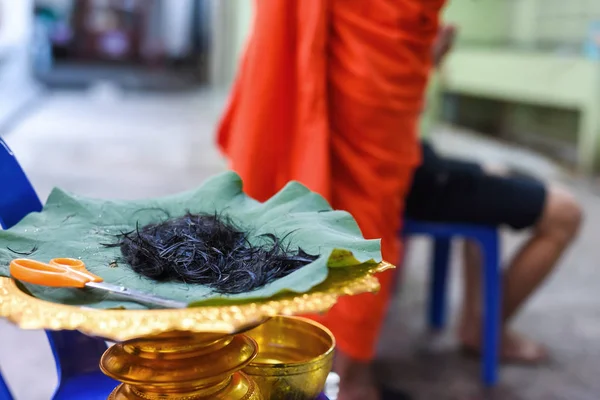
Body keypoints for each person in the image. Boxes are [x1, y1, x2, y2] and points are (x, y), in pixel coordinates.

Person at [217, 1, 446, 399]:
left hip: (381, 58)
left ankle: (339, 368)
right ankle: (326, 371)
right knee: (323, 211)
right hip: (360, 38)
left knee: (364, 211)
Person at [406, 25, 583, 363]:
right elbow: (388, 107)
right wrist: (426, 59)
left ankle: (477, 321)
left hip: (417, 161)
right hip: (410, 174)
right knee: (566, 212)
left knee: (493, 171)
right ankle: (487, 329)